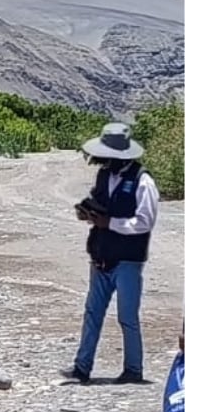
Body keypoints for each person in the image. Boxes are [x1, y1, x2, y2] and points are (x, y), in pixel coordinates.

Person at [65, 121, 158, 385]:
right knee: (92, 313)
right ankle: (81, 368)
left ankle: (133, 370)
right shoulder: (104, 175)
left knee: (127, 317)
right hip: (101, 255)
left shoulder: (143, 182)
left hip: (128, 259)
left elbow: (144, 222)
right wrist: (88, 214)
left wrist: (110, 223)